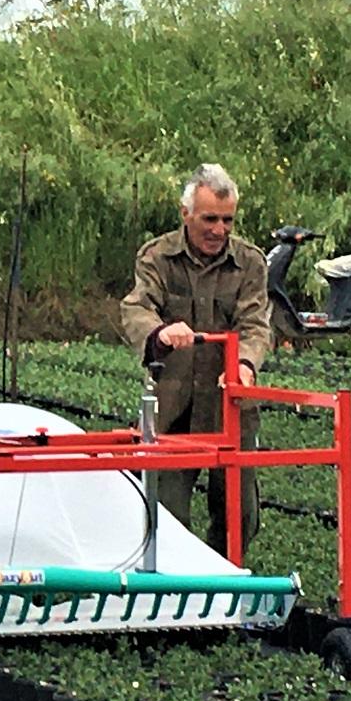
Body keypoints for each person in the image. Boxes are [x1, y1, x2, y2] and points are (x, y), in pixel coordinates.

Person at [119, 163, 272, 557]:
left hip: (229, 407)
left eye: (228, 220)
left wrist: (245, 366)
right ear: (185, 213)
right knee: (167, 515)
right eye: (209, 219)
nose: (219, 230)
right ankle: (176, 595)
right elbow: (136, 308)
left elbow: (256, 324)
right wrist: (160, 333)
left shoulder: (250, 263)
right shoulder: (158, 257)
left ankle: (220, 586)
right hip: (175, 407)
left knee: (240, 516)